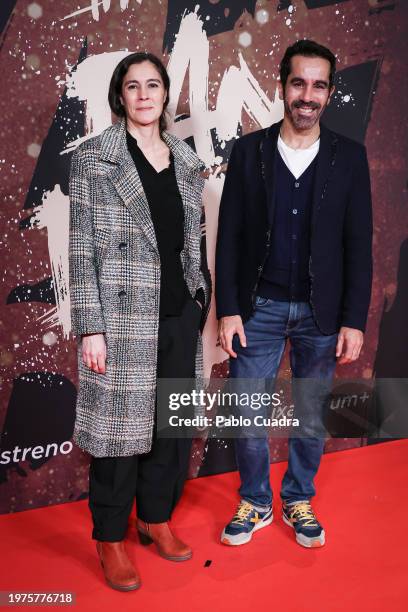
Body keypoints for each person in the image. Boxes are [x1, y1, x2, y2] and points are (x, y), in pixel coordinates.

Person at [215, 39, 372, 548]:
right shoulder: (249, 151)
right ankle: (256, 501)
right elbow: (230, 237)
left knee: (310, 412)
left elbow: (357, 243)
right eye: (299, 83)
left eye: (319, 85)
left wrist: (354, 319)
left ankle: (298, 496)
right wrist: (229, 309)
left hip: (321, 314)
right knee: (246, 411)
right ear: (283, 85)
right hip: (256, 308)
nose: (308, 95)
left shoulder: (350, 157)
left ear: (329, 93)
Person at [69, 52, 211, 591]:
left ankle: (155, 519)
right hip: (122, 318)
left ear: (165, 93)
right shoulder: (95, 160)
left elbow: (189, 240)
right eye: (134, 86)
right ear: (120, 96)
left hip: (177, 316)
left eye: (154, 85)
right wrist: (92, 326)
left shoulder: (185, 159)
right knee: (118, 434)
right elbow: (81, 250)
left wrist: (201, 295)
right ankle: (110, 537)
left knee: (168, 430)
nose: (145, 94)